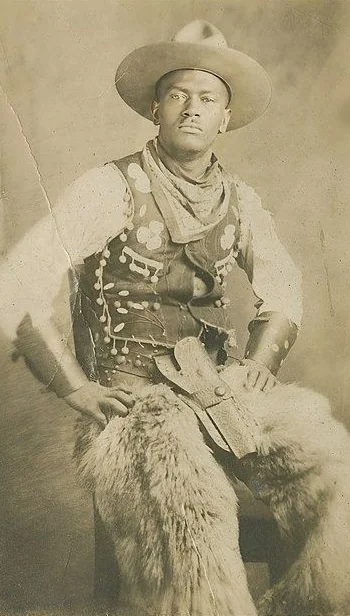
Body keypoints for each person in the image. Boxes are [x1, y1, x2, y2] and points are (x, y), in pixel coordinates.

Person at [2, 19, 350, 616]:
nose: (192, 109)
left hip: (216, 398)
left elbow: (284, 286)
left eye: (207, 98)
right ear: (156, 109)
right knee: (194, 511)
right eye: (178, 95)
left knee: (329, 462)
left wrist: (261, 365)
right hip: (133, 410)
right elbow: (16, 284)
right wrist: (75, 388)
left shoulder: (239, 201)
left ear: (225, 116)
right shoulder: (109, 188)